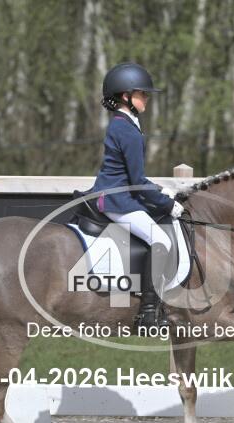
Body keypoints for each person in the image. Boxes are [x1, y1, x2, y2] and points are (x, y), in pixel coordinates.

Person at [89, 62, 184, 330]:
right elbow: (137, 182)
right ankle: (148, 312)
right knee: (161, 241)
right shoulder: (126, 129)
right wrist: (167, 203)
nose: (147, 99)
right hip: (118, 201)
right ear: (126, 96)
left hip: (119, 194)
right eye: (143, 94)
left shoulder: (124, 124)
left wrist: (159, 190)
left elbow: (135, 177)